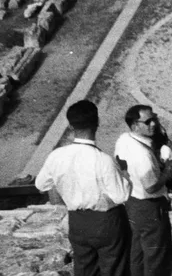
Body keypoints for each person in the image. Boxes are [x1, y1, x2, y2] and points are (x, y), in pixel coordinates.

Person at [35, 100, 132, 276]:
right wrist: (125, 175)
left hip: (77, 221)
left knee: (85, 269)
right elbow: (121, 196)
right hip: (107, 221)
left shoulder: (57, 156)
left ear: (71, 126)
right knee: (114, 269)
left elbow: (41, 184)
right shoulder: (103, 159)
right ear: (97, 123)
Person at [114, 104, 172, 276]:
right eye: (147, 121)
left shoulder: (124, 139)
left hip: (132, 202)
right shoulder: (143, 155)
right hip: (150, 205)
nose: (153, 124)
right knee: (157, 255)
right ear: (134, 126)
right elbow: (151, 186)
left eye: (154, 118)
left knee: (137, 252)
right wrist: (168, 171)